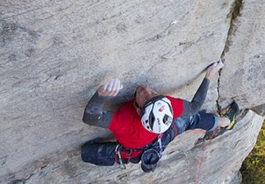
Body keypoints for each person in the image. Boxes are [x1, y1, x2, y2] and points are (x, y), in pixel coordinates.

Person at [81, 60, 239, 171]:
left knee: (86, 153)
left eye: (147, 97)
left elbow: (90, 117)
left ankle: (226, 122)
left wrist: (100, 96)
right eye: (152, 93)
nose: (147, 90)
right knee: (191, 119)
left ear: (138, 110)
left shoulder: (126, 123)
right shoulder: (164, 104)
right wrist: (208, 76)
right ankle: (225, 121)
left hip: (137, 146)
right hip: (162, 134)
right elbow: (193, 107)